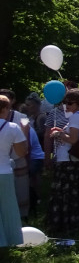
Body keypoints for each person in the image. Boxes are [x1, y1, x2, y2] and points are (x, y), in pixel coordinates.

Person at [47, 87, 79, 235]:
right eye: (65, 102)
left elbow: (73, 139)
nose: (66, 106)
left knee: (65, 194)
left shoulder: (75, 117)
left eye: (70, 103)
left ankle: (64, 224)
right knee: (75, 192)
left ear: (78, 103)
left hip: (68, 161)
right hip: (75, 160)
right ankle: (77, 221)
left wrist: (57, 134)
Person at [0, 95, 27, 246]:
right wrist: (25, 132)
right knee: (8, 208)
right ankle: (11, 241)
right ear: (5, 109)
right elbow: (22, 152)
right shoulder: (12, 127)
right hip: (4, 172)